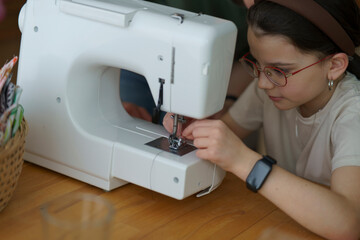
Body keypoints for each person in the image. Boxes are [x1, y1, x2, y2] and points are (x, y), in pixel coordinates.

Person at [163, 0, 360, 239]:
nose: (263, 83)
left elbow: (348, 223)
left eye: (279, 71)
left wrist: (245, 161)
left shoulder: (352, 114)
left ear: (335, 65)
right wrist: (194, 129)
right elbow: (228, 133)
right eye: (257, 64)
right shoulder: (271, 91)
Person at [120, 0, 253, 122]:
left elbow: (254, 57)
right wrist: (107, 103)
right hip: (135, 58)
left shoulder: (254, 7)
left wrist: (229, 100)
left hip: (224, 73)